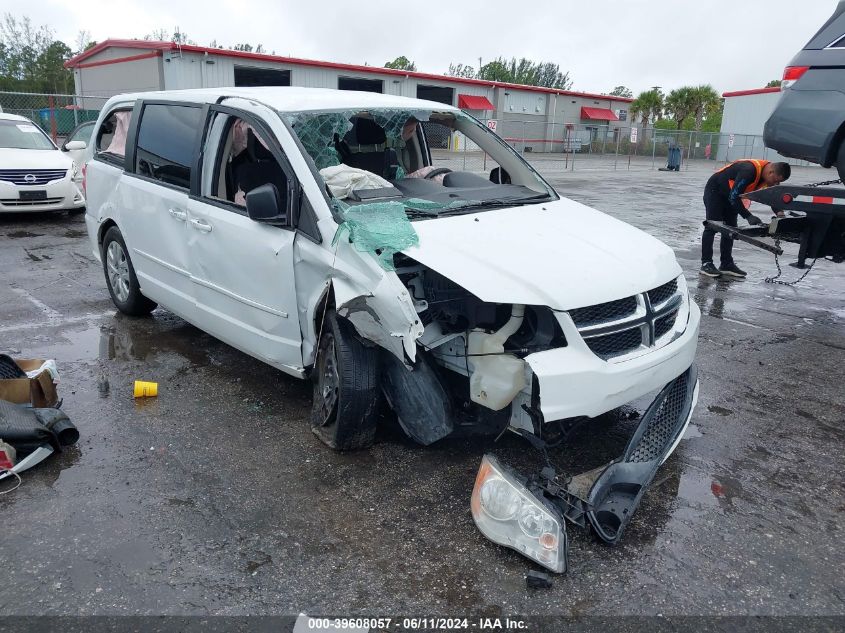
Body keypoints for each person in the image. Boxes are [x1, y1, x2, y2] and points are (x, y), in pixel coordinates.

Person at [700, 159, 791, 278]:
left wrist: (780, 213)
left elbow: (772, 197)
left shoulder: (767, 176)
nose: (775, 184)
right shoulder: (748, 171)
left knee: (730, 229)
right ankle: (706, 263)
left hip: (731, 196)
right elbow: (734, 197)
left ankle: (726, 264)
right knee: (713, 226)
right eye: (775, 181)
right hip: (715, 191)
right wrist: (748, 216)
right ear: (771, 172)